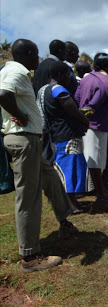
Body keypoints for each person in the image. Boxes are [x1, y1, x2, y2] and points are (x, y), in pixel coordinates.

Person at [0, 38, 61, 272]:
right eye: (36, 54)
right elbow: (3, 94)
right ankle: (29, 257)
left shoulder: (9, 71)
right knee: (29, 197)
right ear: (26, 53)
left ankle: (65, 220)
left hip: (28, 138)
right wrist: (19, 115)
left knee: (50, 176)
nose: (38, 59)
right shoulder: (16, 70)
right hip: (24, 139)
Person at [40, 61, 89, 212]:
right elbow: (70, 108)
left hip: (57, 134)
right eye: (68, 75)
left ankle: (73, 202)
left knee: (68, 167)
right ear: (60, 75)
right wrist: (85, 120)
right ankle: (71, 205)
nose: (70, 78)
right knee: (70, 168)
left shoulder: (44, 89)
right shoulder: (59, 90)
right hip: (66, 134)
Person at [75, 53, 108, 203]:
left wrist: (80, 115)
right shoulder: (106, 82)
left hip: (84, 123)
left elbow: (77, 98)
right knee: (96, 160)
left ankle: (95, 190)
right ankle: (101, 193)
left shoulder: (85, 79)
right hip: (97, 123)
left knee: (89, 157)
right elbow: (95, 102)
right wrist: (89, 109)